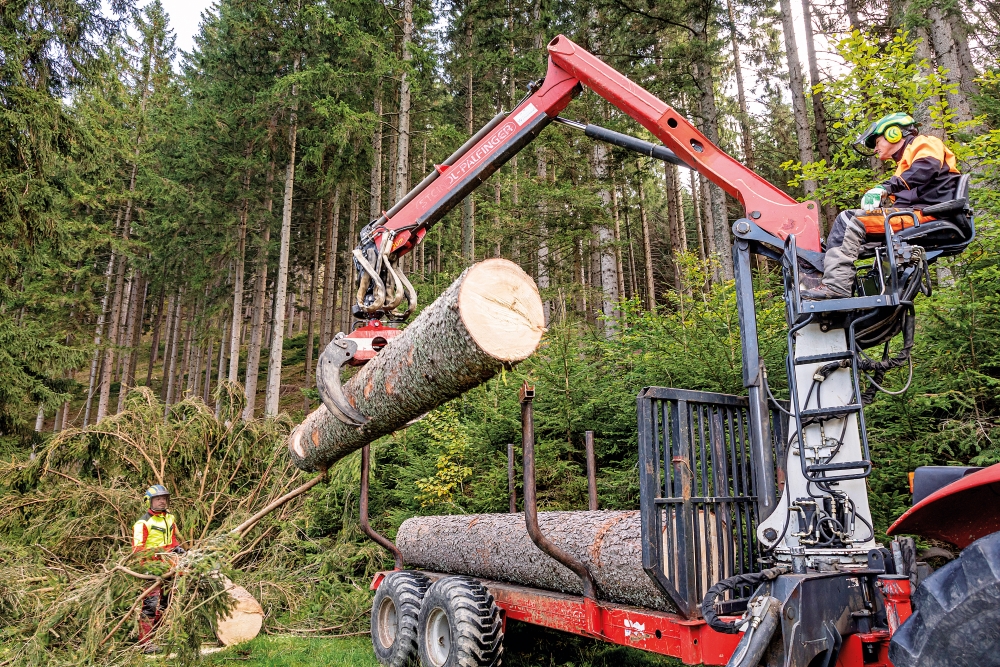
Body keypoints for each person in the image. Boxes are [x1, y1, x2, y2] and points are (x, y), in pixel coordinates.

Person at [802, 112, 961, 300]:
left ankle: (837, 287)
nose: (876, 150)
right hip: (919, 214)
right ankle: (846, 283)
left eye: (877, 143)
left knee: (848, 219)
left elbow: (927, 168)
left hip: (929, 214)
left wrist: (885, 187)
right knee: (847, 241)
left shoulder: (924, 143)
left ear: (893, 133)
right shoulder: (904, 165)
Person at [132, 484, 185, 653]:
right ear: (149, 501)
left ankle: (156, 636)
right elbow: (138, 551)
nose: (162, 502)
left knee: (165, 603)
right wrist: (159, 554)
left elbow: (172, 539)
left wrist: (177, 549)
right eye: (158, 499)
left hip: (168, 566)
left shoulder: (169, 518)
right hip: (150, 567)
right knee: (150, 604)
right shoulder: (142, 523)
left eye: (164, 499)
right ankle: (145, 643)